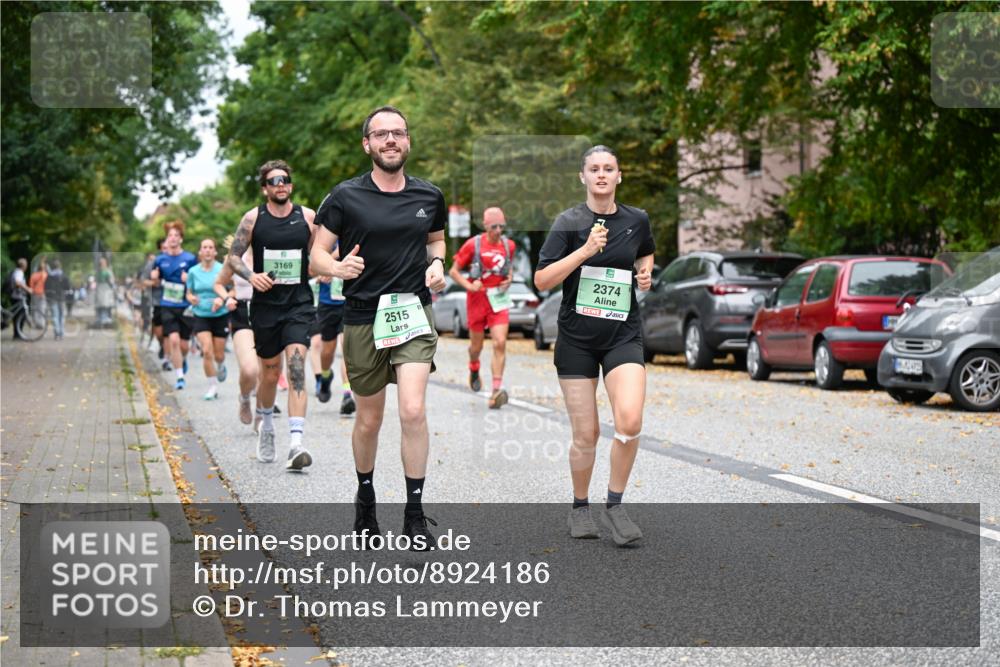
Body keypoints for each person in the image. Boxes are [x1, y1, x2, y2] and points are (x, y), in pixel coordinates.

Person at [311, 105, 447, 549]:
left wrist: (439, 264)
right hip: (363, 317)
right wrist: (337, 267)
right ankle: (366, 498)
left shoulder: (429, 196)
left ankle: (414, 513)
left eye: (399, 133)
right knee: (369, 420)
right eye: (381, 134)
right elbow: (316, 256)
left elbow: (436, 240)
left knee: (412, 410)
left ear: (408, 141)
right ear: (367, 144)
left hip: (412, 313)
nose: (391, 140)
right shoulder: (345, 197)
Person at [533, 145, 655, 546]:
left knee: (630, 421)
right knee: (586, 435)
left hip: (622, 334)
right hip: (577, 340)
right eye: (594, 169)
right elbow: (543, 280)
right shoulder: (568, 222)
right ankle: (579, 507)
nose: (602, 174)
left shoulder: (637, 220)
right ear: (582, 177)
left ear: (619, 176)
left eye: (609, 169)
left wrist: (645, 273)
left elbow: (646, 252)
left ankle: (615, 506)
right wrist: (584, 251)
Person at [228, 159, 316, 471]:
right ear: (265, 188)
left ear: (290, 185)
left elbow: (320, 253)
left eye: (285, 180)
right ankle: (266, 427)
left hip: (299, 305)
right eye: (274, 181)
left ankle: (296, 443)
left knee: (295, 369)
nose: (280, 185)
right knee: (268, 372)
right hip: (265, 306)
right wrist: (251, 276)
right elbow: (234, 257)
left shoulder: (307, 217)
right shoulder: (253, 218)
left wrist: (329, 267)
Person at [449, 207, 516, 409]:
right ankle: (474, 366)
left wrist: (509, 280)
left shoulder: (509, 245)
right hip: (477, 300)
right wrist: (469, 285)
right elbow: (453, 272)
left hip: (498, 300)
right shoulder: (474, 244)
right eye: (494, 226)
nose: (498, 230)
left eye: (501, 226)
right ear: (486, 225)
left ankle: (496, 390)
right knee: (476, 347)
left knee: (500, 342)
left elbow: (508, 268)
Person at [216, 237, 260, 428]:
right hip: (243, 313)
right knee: (250, 369)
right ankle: (244, 398)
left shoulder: (271, 255)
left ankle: (262, 417)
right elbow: (218, 283)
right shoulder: (234, 259)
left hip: (271, 313)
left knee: (268, 372)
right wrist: (226, 298)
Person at [310, 244, 357, 415]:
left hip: (349, 302)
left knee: (347, 350)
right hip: (328, 305)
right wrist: (328, 267)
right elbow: (310, 270)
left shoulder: (356, 234)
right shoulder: (324, 240)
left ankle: (347, 394)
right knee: (327, 352)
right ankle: (325, 376)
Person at [152, 221, 197, 389]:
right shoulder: (159, 260)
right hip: (167, 304)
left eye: (176, 236)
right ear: (166, 239)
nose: (172, 238)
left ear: (181, 239)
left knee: (184, 345)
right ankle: (179, 377)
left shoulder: (190, 258)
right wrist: (155, 278)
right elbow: (156, 283)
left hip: (185, 305)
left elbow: (196, 282)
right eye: (170, 236)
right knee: (174, 340)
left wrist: (189, 280)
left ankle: (183, 359)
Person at [186, 238, 230, 400]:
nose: (208, 250)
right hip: (201, 315)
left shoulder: (223, 269)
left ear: (215, 252)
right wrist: (191, 298)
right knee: (206, 351)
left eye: (211, 247)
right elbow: (189, 292)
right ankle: (212, 386)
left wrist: (222, 299)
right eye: (204, 247)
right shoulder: (193, 272)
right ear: (200, 252)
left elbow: (233, 290)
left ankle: (221, 364)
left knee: (219, 354)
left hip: (220, 315)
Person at [45, 259, 70, 340]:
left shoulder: (49, 276)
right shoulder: (64, 275)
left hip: (52, 298)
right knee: (61, 316)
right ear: (60, 266)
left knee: (55, 316)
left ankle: (57, 334)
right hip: (61, 298)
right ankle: (61, 333)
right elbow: (68, 287)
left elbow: (46, 287)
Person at [94, 256, 116, 326]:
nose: (102, 264)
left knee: (105, 305)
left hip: (105, 289)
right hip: (102, 289)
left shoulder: (105, 271)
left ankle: (104, 319)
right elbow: (96, 281)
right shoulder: (101, 271)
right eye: (101, 262)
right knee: (102, 305)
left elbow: (112, 280)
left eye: (103, 262)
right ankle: (102, 319)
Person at [29, 258, 48, 326]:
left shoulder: (33, 275)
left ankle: (37, 323)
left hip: (35, 294)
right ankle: (41, 324)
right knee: (42, 308)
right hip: (43, 294)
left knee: (36, 309)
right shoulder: (45, 275)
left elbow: (31, 285)